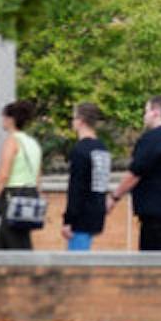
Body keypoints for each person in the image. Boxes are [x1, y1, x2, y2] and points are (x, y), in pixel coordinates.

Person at [109, 95, 161, 252]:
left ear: (155, 112)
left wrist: (114, 197)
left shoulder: (153, 138)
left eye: (146, 111)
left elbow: (135, 173)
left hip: (153, 207)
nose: (144, 116)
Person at [0, 100, 45, 251]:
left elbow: (3, 175)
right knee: (3, 242)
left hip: (13, 194)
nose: (2, 121)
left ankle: (29, 272)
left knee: (18, 242)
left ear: (10, 119)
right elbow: (37, 174)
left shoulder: (12, 142)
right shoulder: (32, 143)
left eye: (3, 117)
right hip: (30, 193)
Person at [61, 103, 111, 252]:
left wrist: (68, 219)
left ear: (81, 120)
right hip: (97, 211)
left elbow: (76, 187)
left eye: (73, 118)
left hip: (80, 216)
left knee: (76, 262)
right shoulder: (102, 149)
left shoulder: (80, 150)